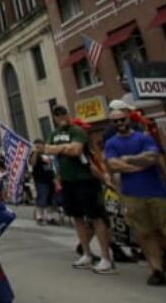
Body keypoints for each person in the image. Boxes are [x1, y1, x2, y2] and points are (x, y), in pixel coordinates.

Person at [103, 108, 166, 292]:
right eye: (114, 121)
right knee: (145, 234)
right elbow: (113, 164)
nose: (119, 123)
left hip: (156, 192)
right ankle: (157, 270)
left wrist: (129, 159)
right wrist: (138, 164)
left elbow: (153, 157)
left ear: (128, 119)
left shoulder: (143, 137)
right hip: (132, 194)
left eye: (122, 119)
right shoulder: (111, 143)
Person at [37, 105, 116, 274]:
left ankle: (106, 257)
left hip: (85, 179)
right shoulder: (54, 133)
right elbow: (47, 150)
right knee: (77, 218)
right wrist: (65, 148)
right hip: (67, 181)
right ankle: (87, 253)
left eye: (63, 112)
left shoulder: (77, 130)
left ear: (68, 113)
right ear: (54, 117)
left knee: (95, 218)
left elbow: (77, 150)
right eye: (57, 114)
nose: (61, 116)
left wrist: (60, 148)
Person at [30, 139, 57, 225]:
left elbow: (52, 165)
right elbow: (33, 163)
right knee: (42, 196)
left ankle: (49, 216)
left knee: (50, 197)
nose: (39, 147)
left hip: (50, 178)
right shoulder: (34, 154)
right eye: (37, 145)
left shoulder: (47, 154)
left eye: (40, 145)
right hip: (40, 179)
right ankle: (39, 216)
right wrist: (35, 152)